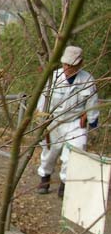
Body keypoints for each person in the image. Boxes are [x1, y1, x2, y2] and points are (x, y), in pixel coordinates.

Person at [36, 45, 99, 197]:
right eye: (65, 64)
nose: (67, 68)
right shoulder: (54, 78)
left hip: (75, 123)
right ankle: (45, 176)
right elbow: (42, 102)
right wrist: (42, 123)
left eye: (71, 65)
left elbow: (93, 103)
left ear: (80, 64)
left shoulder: (87, 80)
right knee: (50, 153)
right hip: (54, 122)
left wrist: (90, 118)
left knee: (72, 155)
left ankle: (65, 184)